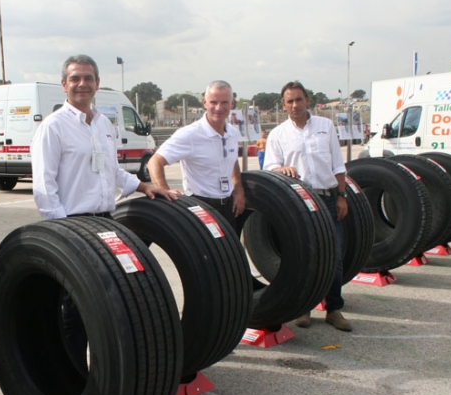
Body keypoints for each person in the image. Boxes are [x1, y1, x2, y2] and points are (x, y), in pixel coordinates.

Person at [31, 54, 175, 220]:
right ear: (64, 85)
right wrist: (62, 228)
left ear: (97, 83)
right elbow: (44, 185)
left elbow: (112, 171)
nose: (82, 84)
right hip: (72, 220)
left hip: (105, 219)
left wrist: (145, 188)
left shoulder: (104, 124)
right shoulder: (52, 127)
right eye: (75, 79)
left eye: (88, 78)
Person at [263, 80, 352, 332]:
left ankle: (334, 310)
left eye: (298, 99)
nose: (294, 105)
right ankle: (304, 309)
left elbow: (337, 165)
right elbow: (268, 168)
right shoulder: (278, 134)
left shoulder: (325, 126)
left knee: (333, 256)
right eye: (289, 101)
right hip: (297, 202)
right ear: (283, 105)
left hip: (326, 198)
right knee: (305, 257)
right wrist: (281, 168)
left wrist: (341, 196)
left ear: (307, 100)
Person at [147, 80, 246, 235]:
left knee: (230, 257)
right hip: (201, 207)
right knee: (209, 257)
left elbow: (231, 160)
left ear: (232, 103)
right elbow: (154, 162)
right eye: (213, 102)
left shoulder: (232, 133)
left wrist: (239, 189)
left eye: (224, 102)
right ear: (204, 102)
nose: (219, 108)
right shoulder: (189, 134)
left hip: (228, 206)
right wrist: (164, 191)